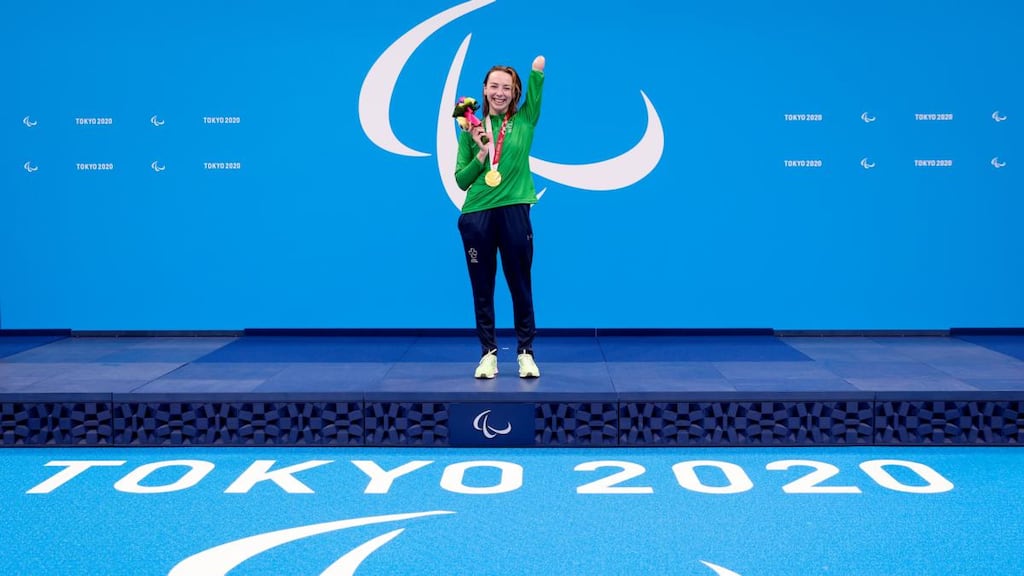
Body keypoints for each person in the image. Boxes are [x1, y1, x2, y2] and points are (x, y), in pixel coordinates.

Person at [454, 55, 545, 379]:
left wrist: (536, 73)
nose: (500, 92)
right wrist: (481, 151)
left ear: (515, 93)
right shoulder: (470, 129)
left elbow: (536, 91)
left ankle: (525, 353)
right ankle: (488, 354)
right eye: (494, 86)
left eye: (507, 87)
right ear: (484, 89)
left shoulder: (524, 121)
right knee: (482, 288)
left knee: (520, 285)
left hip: (515, 210)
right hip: (477, 214)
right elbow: (461, 180)